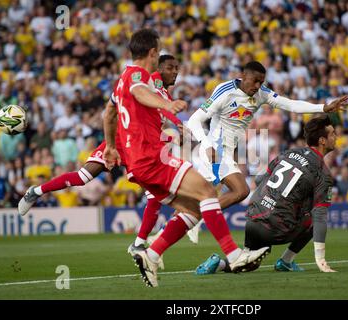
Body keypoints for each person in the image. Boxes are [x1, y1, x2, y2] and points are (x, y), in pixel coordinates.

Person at [102, 29, 270, 288]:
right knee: (207, 192)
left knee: (192, 208)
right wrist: (165, 105)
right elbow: (139, 92)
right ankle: (235, 256)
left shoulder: (120, 80)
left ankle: (152, 253)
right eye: (158, 51)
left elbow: (109, 113)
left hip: (137, 163)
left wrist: (111, 146)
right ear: (153, 52)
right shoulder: (139, 75)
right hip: (151, 157)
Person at [186, 60, 348, 242]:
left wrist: (323, 108)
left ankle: (177, 227)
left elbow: (290, 105)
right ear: (244, 76)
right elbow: (194, 120)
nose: (258, 86)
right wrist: (206, 144)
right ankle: (190, 222)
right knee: (239, 191)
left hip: (227, 151)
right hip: (214, 149)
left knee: (210, 195)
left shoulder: (261, 94)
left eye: (261, 82)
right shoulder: (225, 91)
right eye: (255, 81)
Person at [17, 55, 183, 216]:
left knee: (153, 194)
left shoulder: (165, 95)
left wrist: (172, 135)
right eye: (170, 68)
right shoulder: (152, 80)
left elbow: (154, 122)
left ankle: (140, 243)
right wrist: (177, 124)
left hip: (138, 145)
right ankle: (36, 191)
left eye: (176, 68)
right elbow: (156, 102)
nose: (175, 71)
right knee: (83, 176)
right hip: (121, 139)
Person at [196, 115, 338, 274]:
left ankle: (220, 263)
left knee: (250, 262)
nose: (336, 137)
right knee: (314, 215)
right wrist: (321, 259)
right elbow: (320, 216)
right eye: (332, 133)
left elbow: (259, 179)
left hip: (253, 218)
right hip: (276, 226)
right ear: (322, 141)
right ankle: (286, 261)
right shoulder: (322, 173)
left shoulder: (288, 153)